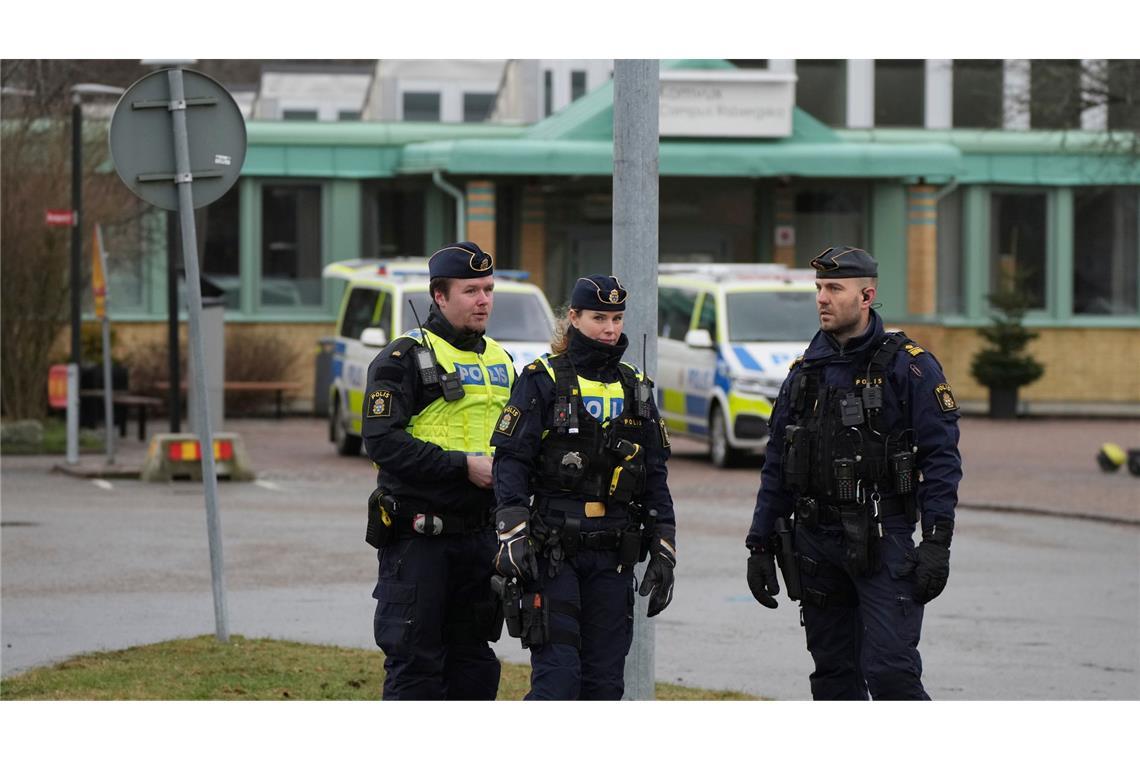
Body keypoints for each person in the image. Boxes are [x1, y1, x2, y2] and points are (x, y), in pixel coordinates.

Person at [745, 245, 962, 700]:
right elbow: (778, 464)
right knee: (833, 677)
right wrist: (760, 543)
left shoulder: (910, 365)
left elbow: (941, 459)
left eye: (834, 289)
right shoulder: (804, 374)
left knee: (890, 672)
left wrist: (937, 542)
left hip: (883, 538)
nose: (822, 298)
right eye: (819, 288)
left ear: (867, 296)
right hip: (816, 542)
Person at [490, 274, 677, 700]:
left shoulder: (637, 387)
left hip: (613, 556)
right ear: (573, 317)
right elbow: (511, 461)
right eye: (598, 318)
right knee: (558, 683)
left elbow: (656, 475)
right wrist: (511, 530)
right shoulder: (542, 379)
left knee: (604, 686)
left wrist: (665, 544)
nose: (610, 329)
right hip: (555, 554)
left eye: (616, 318)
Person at [362, 241, 515, 700]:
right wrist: (461, 467)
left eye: (488, 289)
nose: (484, 299)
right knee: (416, 666)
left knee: (475, 665)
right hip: (420, 540)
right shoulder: (402, 359)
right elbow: (383, 442)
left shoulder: (502, 361)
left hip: (482, 538)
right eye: (471, 290)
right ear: (440, 296)